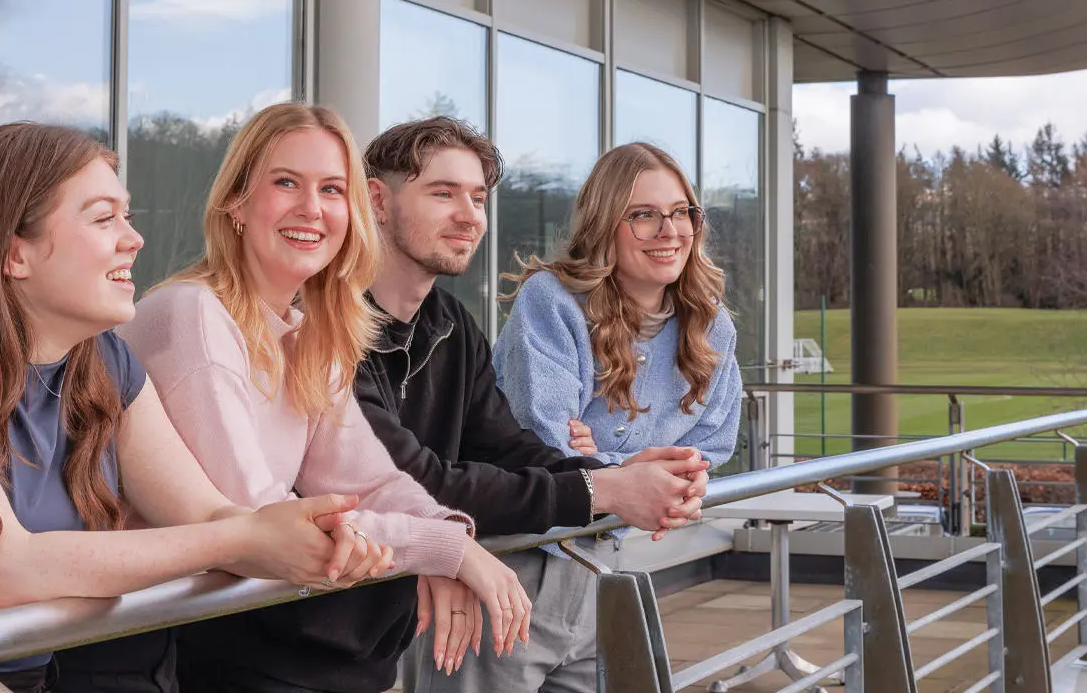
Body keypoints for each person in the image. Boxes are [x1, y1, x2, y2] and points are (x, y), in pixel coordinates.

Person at [0, 122, 365, 693]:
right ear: (13, 255)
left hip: (4, 676)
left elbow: (204, 513)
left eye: (126, 216)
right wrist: (246, 541)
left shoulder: (105, 362)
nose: (134, 238)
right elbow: (6, 568)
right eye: (104, 218)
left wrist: (306, 534)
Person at [115, 103, 530, 693]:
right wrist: (444, 551)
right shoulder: (192, 314)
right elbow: (262, 523)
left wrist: (449, 541)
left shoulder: (311, 330)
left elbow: (369, 479)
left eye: (332, 190)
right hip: (155, 654)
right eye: (287, 182)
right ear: (236, 201)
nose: (312, 208)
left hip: (232, 636)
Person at [350, 117, 710, 685]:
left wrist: (610, 472)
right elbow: (402, 477)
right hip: (284, 630)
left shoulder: (450, 324)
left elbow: (503, 447)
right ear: (377, 199)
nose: (469, 215)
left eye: (478, 197)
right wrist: (607, 486)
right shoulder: (325, 326)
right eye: (443, 193)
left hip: (389, 618)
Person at [444, 141, 745, 691]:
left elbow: (713, 443)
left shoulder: (711, 324)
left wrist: (608, 462)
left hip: (610, 560)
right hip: (516, 557)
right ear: (606, 223)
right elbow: (544, 440)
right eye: (643, 215)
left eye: (682, 212)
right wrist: (631, 474)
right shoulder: (554, 301)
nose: (669, 230)